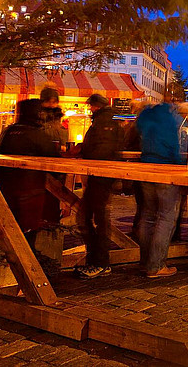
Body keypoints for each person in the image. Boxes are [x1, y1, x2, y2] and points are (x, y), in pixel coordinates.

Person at [0, 99, 59, 246]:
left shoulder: (10, 132)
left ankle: (8, 258)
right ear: (37, 113)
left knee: (9, 226)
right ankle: (26, 261)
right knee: (28, 230)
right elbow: (53, 158)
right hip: (30, 190)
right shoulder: (37, 134)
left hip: (6, 187)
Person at [76, 93, 124, 279]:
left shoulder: (104, 123)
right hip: (100, 174)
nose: (89, 110)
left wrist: (83, 151)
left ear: (95, 106)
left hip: (100, 175)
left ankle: (100, 262)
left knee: (95, 219)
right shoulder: (108, 121)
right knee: (89, 217)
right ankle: (96, 260)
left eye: (90, 106)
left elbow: (102, 150)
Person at [135, 103, 183, 277]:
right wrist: (179, 165)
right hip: (165, 169)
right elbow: (173, 147)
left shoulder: (147, 117)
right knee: (166, 217)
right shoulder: (168, 119)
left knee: (148, 216)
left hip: (146, 167)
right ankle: (155, 265)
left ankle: (144, 262)